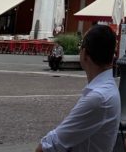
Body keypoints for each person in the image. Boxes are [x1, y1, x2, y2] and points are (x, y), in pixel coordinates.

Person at [36, 24, 120, 152]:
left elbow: (53, 144)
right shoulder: (105, 90)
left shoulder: (98, 97)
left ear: (85, 53)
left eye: (80, 45)